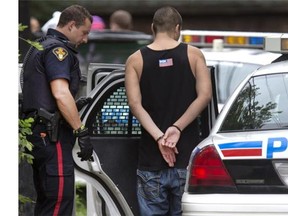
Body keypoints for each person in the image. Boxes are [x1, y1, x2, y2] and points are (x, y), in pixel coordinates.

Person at [125, 6, 212, 215]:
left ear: (153, 27)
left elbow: (135, 105)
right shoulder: (194, 55)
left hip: (150, 161)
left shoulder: (135, 60)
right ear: (178, 28)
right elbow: (205, 96)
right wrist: (177, 128)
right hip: (187, 160)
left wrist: (159, 138)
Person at [21, 5, 94, 215]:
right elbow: (60, 93)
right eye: (84, 33)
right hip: (53, 138)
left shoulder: (41, 45)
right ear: (71, 25)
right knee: (59, 201)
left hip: (40, 135)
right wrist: (81, 131)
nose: (85, 39)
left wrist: (74, 105)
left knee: (47, 202)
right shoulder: (58, 51)